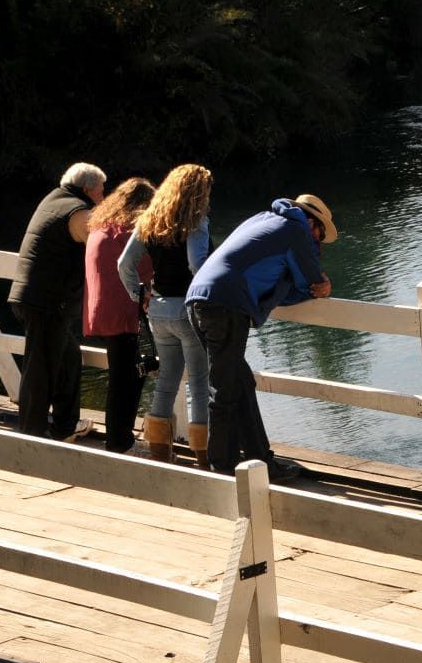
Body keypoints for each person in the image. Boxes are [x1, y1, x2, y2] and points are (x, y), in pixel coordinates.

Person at [186, 194, 335, 478]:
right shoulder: (296, 230)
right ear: (312, 223)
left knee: (241, 382)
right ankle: (222, 469)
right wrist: (323, 285)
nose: (318, 243)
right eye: (320, 236)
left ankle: (261, 461)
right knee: (225, 389)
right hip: (225, 304)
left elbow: (283, 285)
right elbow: (312, 281)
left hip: (198, 299)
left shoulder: (263, 219)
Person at [120, 164, 213, 467]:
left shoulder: (150, 219)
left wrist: (138, 296)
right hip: (187, 310)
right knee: (199, 384)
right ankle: (204, 458)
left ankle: (160, 454)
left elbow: (124, 264)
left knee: (166, 381)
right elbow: (197, 265)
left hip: (158, 311)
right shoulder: (195, 221)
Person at [10, 163, 105, 441]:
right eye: (101, 191)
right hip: (48, 302)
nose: (103, 197)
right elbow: (101, 248)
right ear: (87, 189)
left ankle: (65, 426)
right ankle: (32, 434)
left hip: (31, 296)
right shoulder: (78, 212)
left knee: (68, 359)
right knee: (40, 370)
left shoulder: (53, 199)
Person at [82, 177, 155, 454]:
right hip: (122, 313)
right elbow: (147, 268)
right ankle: (120, 441)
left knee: (124, 375)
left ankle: (121, 438)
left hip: (100, 310)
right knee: (127, 379)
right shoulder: (126, 232)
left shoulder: (100, 226)